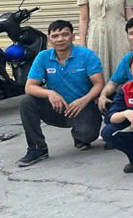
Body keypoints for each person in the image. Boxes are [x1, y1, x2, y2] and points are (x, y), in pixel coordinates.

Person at [14, 21, 105, 166]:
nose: (60, 39)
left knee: (87, 135)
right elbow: (29, 87)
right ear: (49, 39)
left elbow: (99, 84)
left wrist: (85, 100)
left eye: (64, 34)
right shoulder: (43, 57)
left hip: (82, 107)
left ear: (72, 36)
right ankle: (37, 148)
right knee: (27, 101)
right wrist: (50, 93)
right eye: (55, 36)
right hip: (57, 108)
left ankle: (80, 137)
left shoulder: (86, 54)